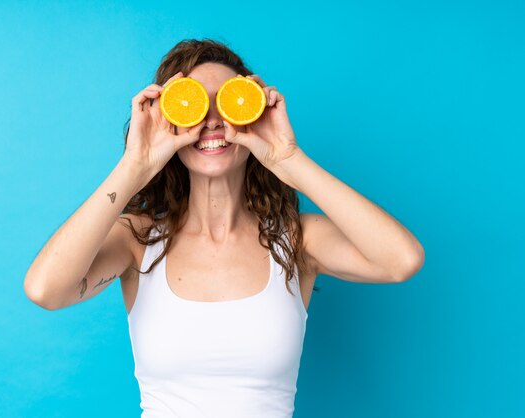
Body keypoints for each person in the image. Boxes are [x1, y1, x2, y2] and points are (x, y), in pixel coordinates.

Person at [24, 38, 425, 418]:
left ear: (251, 112)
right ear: (171, 120)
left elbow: (401, 260)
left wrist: (288, 159)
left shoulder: (297, 241)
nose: (213, 121)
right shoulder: (139, 241)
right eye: (195, 106)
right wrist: (135, 167)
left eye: (228, 104)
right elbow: (46, 290)